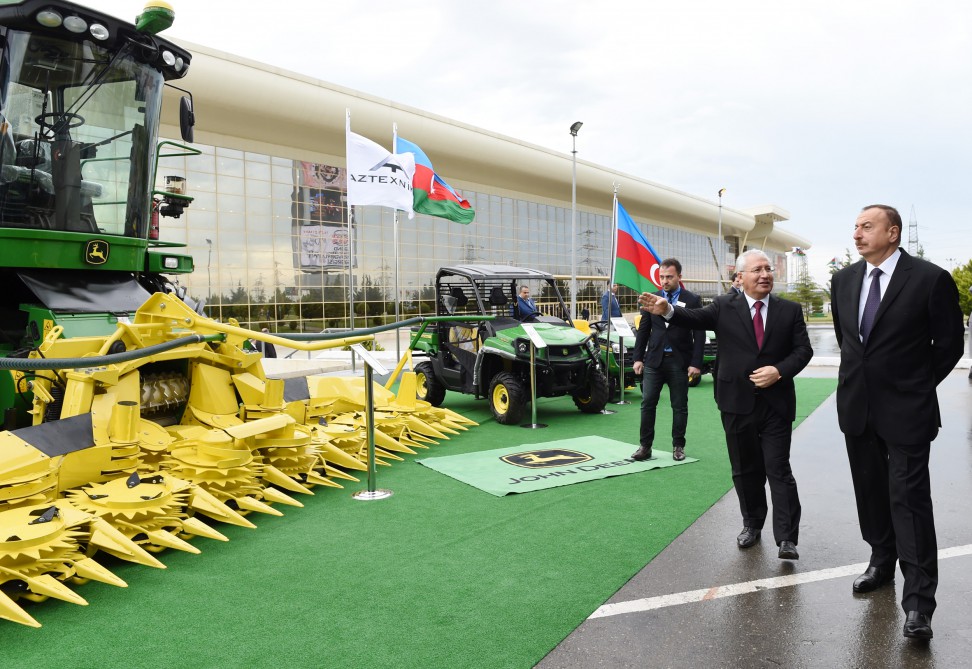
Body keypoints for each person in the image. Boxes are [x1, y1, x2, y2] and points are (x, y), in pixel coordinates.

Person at [830, 204, 964, 640]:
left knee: (908, 501)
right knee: (870, 494)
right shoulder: (843, 281)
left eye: (866, 226)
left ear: (892, 232)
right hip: (857, 408)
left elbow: (948, 345)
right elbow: (848, 340)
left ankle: (920, 603)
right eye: (855, 227)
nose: (857, 233)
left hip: (907, 410)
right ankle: (880, 562)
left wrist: (916, 385)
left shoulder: (929, 279)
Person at [640, 249, 812, 560]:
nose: (764, 275)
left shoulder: (790, 310)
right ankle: (752, 524)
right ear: (741, 277)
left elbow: (803, 351)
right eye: (757, 270)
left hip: (776, 404)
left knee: (778, 468)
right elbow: (692, 318)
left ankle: (787, 537)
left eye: (768, 269)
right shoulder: (723, 306)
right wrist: (666, 310)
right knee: (745, 468)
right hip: (736, 401)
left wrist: (779, 370)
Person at [631, 258, 704, 462]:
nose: (664, 281)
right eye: (662, 277)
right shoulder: (651, 298)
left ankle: (678, 446)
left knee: (679, 406)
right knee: (647, 404)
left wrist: (696, 363)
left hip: (680, 361)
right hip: (654, 360)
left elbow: (699, 333)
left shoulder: (692, 300)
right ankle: (645, 447)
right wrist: (638, 358)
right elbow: (643, 331)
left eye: (669, 277)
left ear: (679, 277)